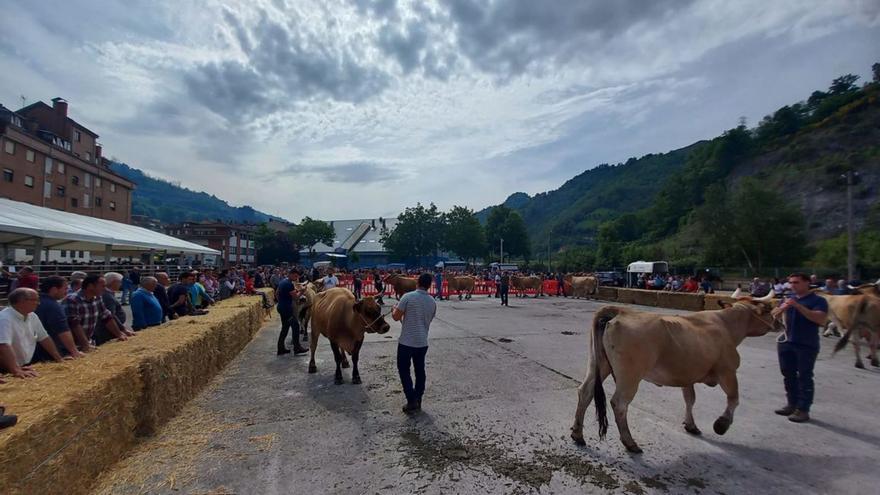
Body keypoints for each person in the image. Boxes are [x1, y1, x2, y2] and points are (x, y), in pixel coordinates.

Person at [771, 273, 829, 423]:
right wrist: (780, 310)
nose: (792, 285)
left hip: (806, 344)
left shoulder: (818, 300)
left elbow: (820, 319)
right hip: (786, 342)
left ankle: (803, 409)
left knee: (804, 376)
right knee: (788, 374)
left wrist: (798, 306)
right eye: (791, 283)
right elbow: (774, 315)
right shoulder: (787, 298)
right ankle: (792, 404)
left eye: (796, 282)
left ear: (807, 283)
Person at [392, 273, 437, 414]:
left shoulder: (407, 297)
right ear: (429, 286)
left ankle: (411, 399)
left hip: (406, 342)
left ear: (417, 282)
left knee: (404, 370)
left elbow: (395, 317)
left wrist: (395, 308)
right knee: (420, 370)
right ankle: (418, 397)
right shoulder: (432, 302)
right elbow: (428, 319)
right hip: (422, 342)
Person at [0, 288, 66, 377]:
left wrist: (59, 359)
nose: (38, 303)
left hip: (21, 365)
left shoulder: (32, 316)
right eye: (35, 300)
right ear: (21, 301)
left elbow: (44, 338)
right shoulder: (4, 318)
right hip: (5, 368)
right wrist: (16, 370)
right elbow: (3, 345)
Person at [64, 274, 130, 348]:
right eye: (102, 286)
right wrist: (85, 344)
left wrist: (120, 334)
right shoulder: (72, 300)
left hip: (88, 341)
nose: (105, 289)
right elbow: (74, 324)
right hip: (73, 345)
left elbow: (107, 317)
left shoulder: (98, 297)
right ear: (90, 286)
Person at [34, 276, 84, 360]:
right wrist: (74, 351)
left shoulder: (36, 301)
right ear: (54, 290)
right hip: (46, 352)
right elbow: (62, 330)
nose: (66, 292)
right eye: (65, 289)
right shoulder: (53, 306)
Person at [276, 269, 307, 355]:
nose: (296, 278)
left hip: (281, 307)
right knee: (296, 326)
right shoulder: (289, 284)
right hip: (286, 309)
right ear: (291, 274)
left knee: (285, 328)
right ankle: (297, 348)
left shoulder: (283, 281)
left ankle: (281, 348)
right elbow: (296, 298)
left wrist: (282, 301)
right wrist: (302, 291)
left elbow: (277, 293)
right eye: (296, 276)